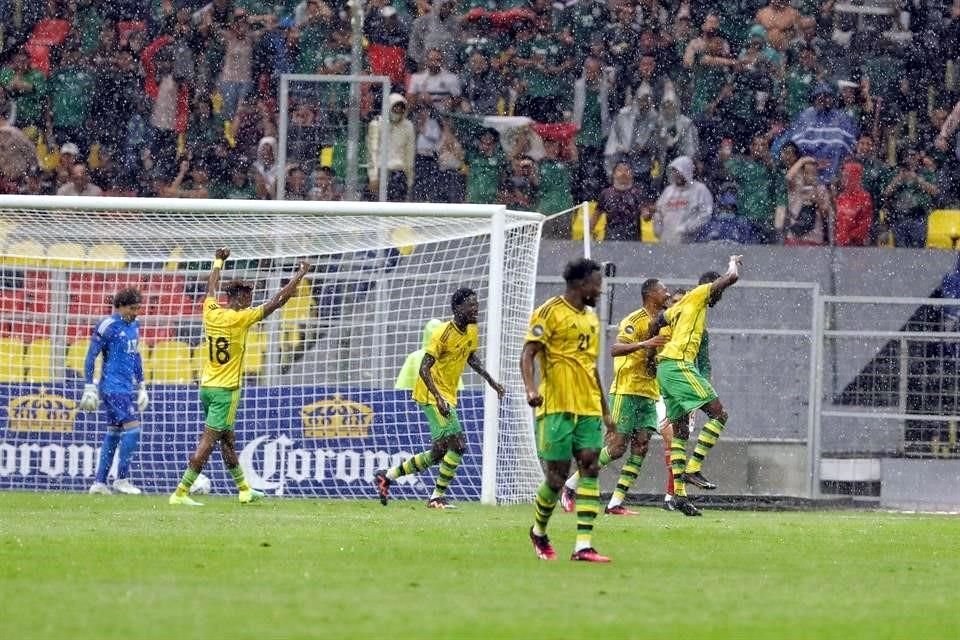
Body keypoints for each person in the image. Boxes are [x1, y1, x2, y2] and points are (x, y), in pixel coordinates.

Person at [169, 248, 311, 506]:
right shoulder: (242, 318)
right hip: (226, 391)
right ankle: (181, 492)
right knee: (209, 442)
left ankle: (244, 489)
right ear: (239, 297)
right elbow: (279, 300)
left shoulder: (211, 311)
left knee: (227, 439)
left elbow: (211, 288)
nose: (251, 299)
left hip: (207, 386)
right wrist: (300, 274)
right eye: (248, 295)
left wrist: (218, 261)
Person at [522, 258, 616, 563]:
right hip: (556, 405)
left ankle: (583, 545)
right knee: (557, 476)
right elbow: (528, 353)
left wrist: (605, 410)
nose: (599, 291)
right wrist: (530, 388)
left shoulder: (591, 319)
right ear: (580, 285)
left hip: (587, 405)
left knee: (590, 464)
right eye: (596, 285)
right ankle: (538, 531)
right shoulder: (548, 312)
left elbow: (591, 368)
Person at [375, 289, 505, 509]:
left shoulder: (472, 329)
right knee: (459, 445)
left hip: (447, 394)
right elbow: (424, 368)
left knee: (438, 453)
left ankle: (386, 476)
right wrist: (438, 397)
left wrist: (491, 382)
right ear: (457, 309)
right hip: (431, 393)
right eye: (471, 305)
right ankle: (436, 497)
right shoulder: (442, 334)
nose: (476, 309)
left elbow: (471, 357)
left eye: (477, 304)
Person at [560, 278, 670, 515]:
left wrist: (653, 358)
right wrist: (646, 343)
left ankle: (616, 502)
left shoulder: (662, 324)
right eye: (663, 290)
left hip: (648, 392)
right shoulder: (634, 320)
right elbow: (615, 349)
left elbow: (653, 361)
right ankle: (570, 486)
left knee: (641, 446)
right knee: (616, 448)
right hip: (626, 390)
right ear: (651, 294)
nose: (667, 293)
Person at [648, 258, 743, 516]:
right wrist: (733, 264)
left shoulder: (680, 308)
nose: (717, 299)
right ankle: (693, 468)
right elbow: (731, 278)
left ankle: (678, 495)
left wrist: (650, 357)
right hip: (679, 365)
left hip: (665, 369)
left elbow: (656, 321)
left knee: (679, 433)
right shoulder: (699, 294)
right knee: (719, 414)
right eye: (718, 293)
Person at [80, 288, 149, 496]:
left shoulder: (134, 325)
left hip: (126, 387)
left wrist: (142, 384)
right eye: (132, 308)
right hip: (112, 387)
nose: (136, 312)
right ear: (119, 306)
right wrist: (89, 385)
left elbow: (135, 356)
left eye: (138, 308)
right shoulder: (108, 325)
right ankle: (121, 479)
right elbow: (91, 356)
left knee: (113, 433)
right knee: (133, 429)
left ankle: (99, 483)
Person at [653, 155, 713, 244]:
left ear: (686, 171)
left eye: (678, 172)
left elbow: (705, 215)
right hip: (666, 243)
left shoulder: (700, 190)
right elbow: (658, 211)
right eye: (674, 171)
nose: (675, 175)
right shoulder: (668, 191)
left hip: (690, 244)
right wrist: (658, 228)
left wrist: (686, 228)